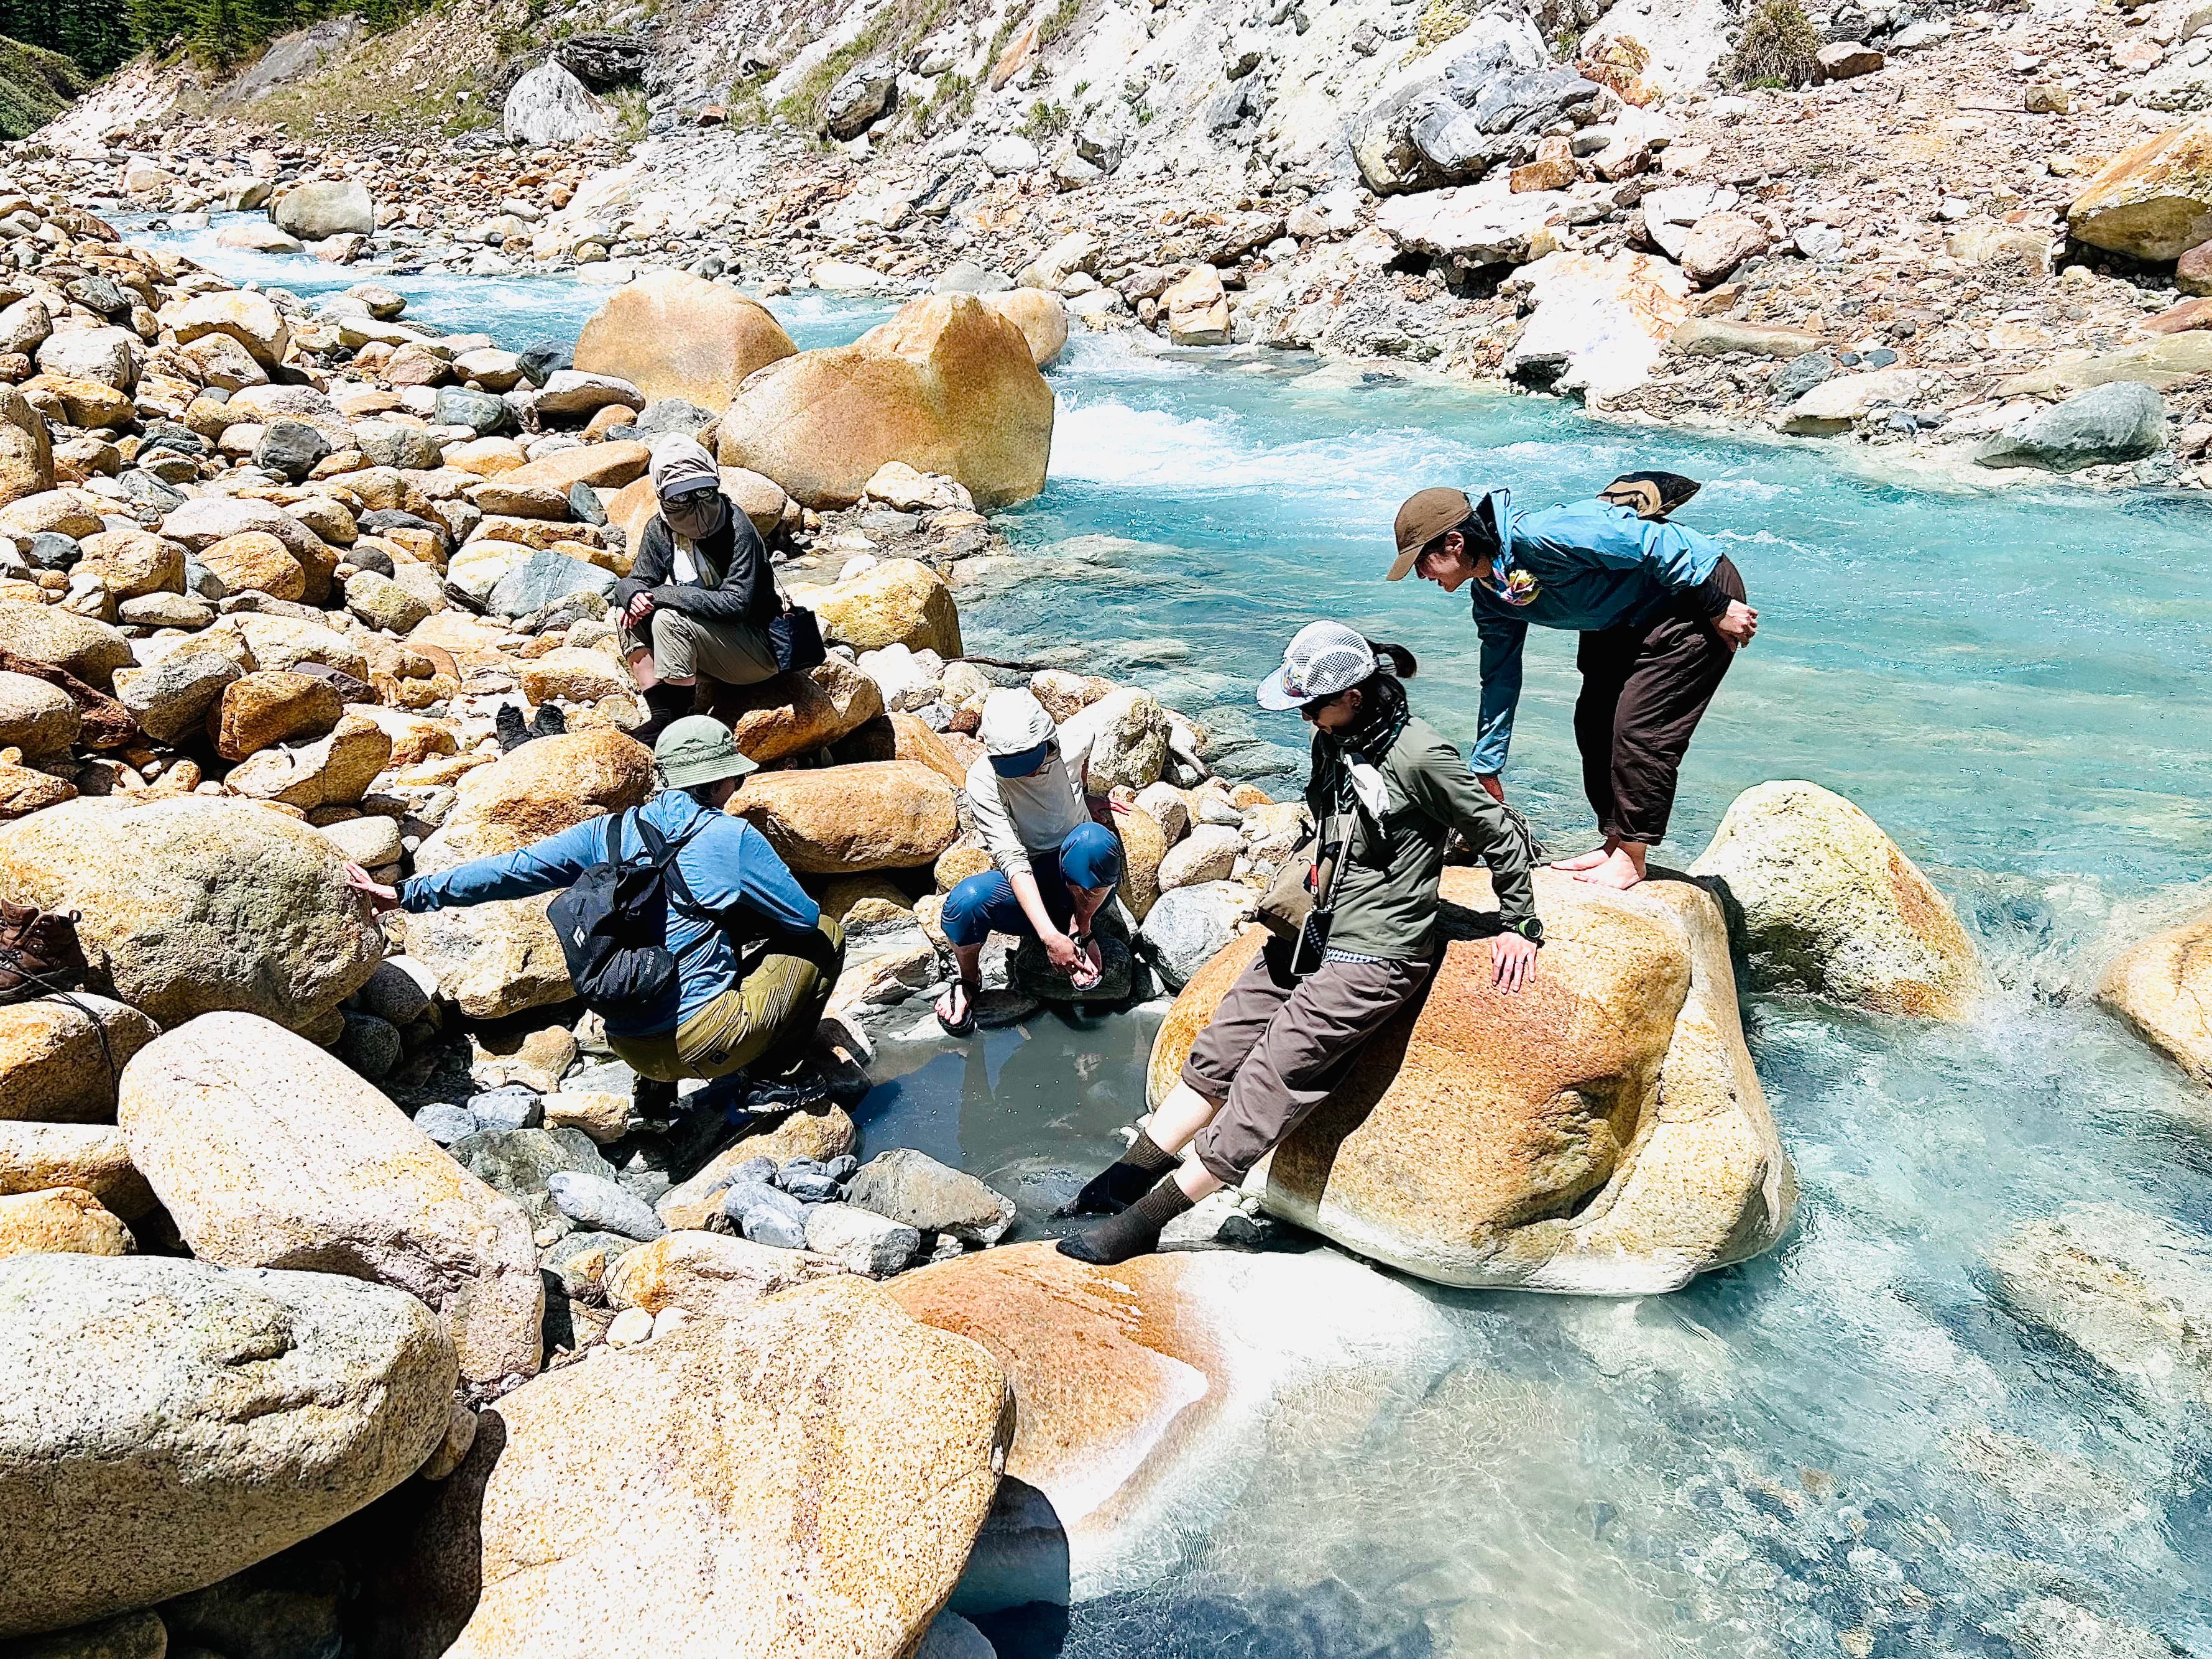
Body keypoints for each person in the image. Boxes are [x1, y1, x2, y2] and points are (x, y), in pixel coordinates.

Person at [1056, 621, 1543, 1266]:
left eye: (1315, 704)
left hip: (1378, 951)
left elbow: (1500, 831)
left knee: (1271, 1075)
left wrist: (1518, 924)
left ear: (1358, 696)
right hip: (1318, 926)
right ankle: (1131, 1173)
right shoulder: (1337, 738)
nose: (1307, 717)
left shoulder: (1421, 756)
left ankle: (1149, 1219)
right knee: (1225, 1040)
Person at [346, 716, 843, 1114]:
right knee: (826, 933)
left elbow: (510, 871)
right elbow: (801, 919)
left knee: (653, 943)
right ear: (721, 779)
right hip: (707, 1042)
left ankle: (655, 1094)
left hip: (629, 1045)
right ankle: (769, 1081)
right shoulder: (729, 837)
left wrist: (408, 893)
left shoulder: (603, 834)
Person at [1388, 483, 1759, 890]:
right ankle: (1615, 840)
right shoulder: (1493, 593)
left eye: (1421, 562)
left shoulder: (1544, 535)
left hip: (1692, 595)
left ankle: (1633, 857)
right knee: (1594, 722)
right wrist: (1487, 767)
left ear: (1455, 543)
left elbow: (1656, 540)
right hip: (1622, 615)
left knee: (1638, 729)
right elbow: (1500, 679)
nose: (1421, 575)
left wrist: (1716, 606)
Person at [935, 687, 1123, 1035]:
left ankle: (1082, 929)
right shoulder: (982, 780)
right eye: (1013, 768)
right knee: (964, 902)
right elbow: (1013, 861)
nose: (1027, 775)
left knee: (1094, 843)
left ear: (1049, 739)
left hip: (1082, 875)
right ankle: (969, 981)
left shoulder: (1076, 738)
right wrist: (1049, 937)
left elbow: (1082, 761)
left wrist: (1084, 794)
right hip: (1031, 876)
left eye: (1033, 763)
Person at [615, 437, 785, 744]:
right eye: (682, 498)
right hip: (714, 645)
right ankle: (664, 716)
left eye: (704, 492)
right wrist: (632, 596)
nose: (696, 505)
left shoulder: (738, 528)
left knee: (668, 618)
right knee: (629, 613)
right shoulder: (661, 528)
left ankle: (682, 728)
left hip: (759, 648)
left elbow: (736, 604)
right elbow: (636, 579)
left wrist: (658, 596)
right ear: (663, 498)